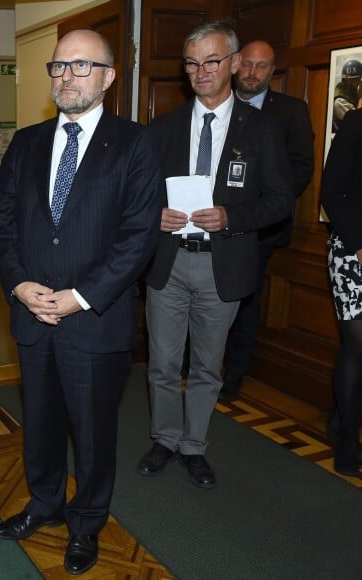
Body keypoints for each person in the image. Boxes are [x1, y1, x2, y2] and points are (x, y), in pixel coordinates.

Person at [0, 29, 160, 575]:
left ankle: (87, 523)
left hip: (95, 320)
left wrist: (80, 298)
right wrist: (18, 284)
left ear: (109, 77)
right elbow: (2, 223)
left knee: (91, 432)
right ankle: (44, 505)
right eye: (58, 66)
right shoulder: (27, 142)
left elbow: (138, 237)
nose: (66, 75)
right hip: (32, 314)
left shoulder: (135, 143)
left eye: (81, 66)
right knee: (38, 424)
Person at [136, 21, 293, 489]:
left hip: (222, 266)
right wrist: (153, 215)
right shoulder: (161, 129)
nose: (200, 71)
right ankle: (165, 438)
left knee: (206, 365)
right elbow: (138, 195)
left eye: (210, 61)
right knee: (163, 362)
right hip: (167, 262)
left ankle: (194, 447)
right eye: (191, 63)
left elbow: (282, 200)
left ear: (233, 64)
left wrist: (232, 216)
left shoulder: (262, 130)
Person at [220, 39, 315, 400]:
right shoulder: (217, 106)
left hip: (260, 229)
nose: (253, 73)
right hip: (210, 222)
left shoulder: (290, 112)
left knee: (244, 298)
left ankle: (235, 373)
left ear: (272, 71)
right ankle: (196, 361)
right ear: (235, 64)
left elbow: (301, 169)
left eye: (262, 67)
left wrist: (257, 206)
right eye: (247, 65)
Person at [319, 108, 362, 479]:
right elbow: (331, 192)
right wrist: (360, 244)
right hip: (354, 251)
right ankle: (348, 439)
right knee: (357, 344)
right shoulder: (357, 122)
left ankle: (339, 416)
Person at [333, 59, 362, 131]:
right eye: (351, 80)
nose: (355, 83)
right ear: (345, 80)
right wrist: (361, 98)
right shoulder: (340, 101)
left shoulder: (352, 93)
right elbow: (357, 122)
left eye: (357, 79)